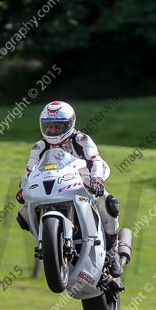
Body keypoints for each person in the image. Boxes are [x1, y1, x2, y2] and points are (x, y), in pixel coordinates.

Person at [16, 100, 123, 277]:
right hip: (51, 187)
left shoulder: (81, 140)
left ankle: (113, 252)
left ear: (70, 124)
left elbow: (96, 160)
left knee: (109, 204)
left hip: (83, 186)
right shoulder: (39, 147)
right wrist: (22, 188)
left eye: (58, 126)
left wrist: (96, 179)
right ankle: (51, 245)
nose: (53, 130)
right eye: (49, 126)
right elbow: (29, 171)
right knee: (23, 215)